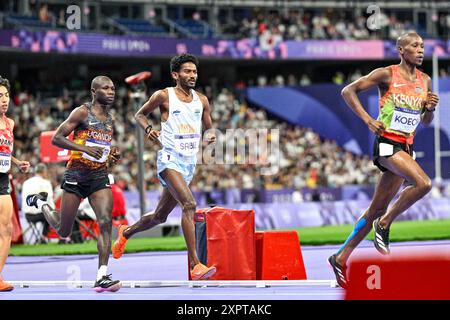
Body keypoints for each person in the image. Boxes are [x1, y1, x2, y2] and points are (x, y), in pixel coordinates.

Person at [328, 32, 439, 288]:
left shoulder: (425, 80)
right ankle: (385, 223)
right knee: (423, 183)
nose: (420, 50)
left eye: (422, 46)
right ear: (401, 50)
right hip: (387, 144)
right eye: (414, 46)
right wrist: (368, 120)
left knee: (376, 207)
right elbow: (348, 91)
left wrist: (430, 109)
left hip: (406, 146)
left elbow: (425, 122)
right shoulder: (386, 74)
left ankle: (340, 257)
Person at [112, 53, 217, 280]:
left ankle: (126, 232)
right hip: (169, 159)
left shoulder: (202, 100)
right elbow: (139, 115)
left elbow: (209, 129)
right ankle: (196, 264)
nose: (192, 75)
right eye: (187, 71)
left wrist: (209, 138)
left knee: (160, 216)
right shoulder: (164, 96)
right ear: (175, 74)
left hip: (188, 163)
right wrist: (149, 130)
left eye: (194, 72)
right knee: (189, 204)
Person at [26, 76, 122, 292]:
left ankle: (102, 275)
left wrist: (110, 156)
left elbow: (101, 147)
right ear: (93, 91)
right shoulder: (82, 112)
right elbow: (57, 138)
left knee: (105, 221)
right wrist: (85, 150)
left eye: (113, 88)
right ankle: (42, 204)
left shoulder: (110, 118)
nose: (111, 91)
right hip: (76, 175)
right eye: (106, 88)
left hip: (98, 175)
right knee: (63, 230)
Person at [0, 76, 30, 291]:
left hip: (2, 178)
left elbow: (5, 150)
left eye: (6, 95)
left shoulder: (10, 123)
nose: (4, 100)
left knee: (7, 228)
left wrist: (17, 162)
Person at [22, 163, 55, 243]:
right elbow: (49, 200)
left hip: (28, 215)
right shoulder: (46, 183)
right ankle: (44, 236)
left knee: (48, 214)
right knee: (52, 214)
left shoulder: (26, 183)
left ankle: (43, 237)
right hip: (41, 214)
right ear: (44, 171)